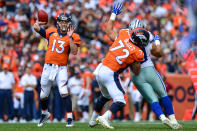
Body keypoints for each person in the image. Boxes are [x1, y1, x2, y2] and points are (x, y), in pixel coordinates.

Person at [89, 2, 149, 129]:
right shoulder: (138, 51)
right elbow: (136, 71)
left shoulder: (122, 34)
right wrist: (137, 58)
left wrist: (113, 14)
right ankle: (105, 117)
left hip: (100, 69)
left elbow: (109, 31)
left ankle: (92, 120)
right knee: (121, 100)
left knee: (105, 96)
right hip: (111, 73)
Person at [129, 19, 183, 129]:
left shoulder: (125, 38)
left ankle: (162, 117)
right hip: (149, 69)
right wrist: (157, 41)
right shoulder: (148, 35)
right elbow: (159, 53)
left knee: (152, 99)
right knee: (163, 94)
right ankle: (173, 120)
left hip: (135, 74)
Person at [33, 13, 81, 127]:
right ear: (58, 22)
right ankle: (45, 114)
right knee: (43, 94)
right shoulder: (51, 31)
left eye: (66, 21)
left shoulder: (74, 36)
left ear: (69, 23)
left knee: (63, 91)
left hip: (61, 68)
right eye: (62, 21)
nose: (64, 23)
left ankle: (70, 118)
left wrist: (69, 37)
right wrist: (38, 22)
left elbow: (74, 52)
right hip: (48, 66)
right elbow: (36, 28)